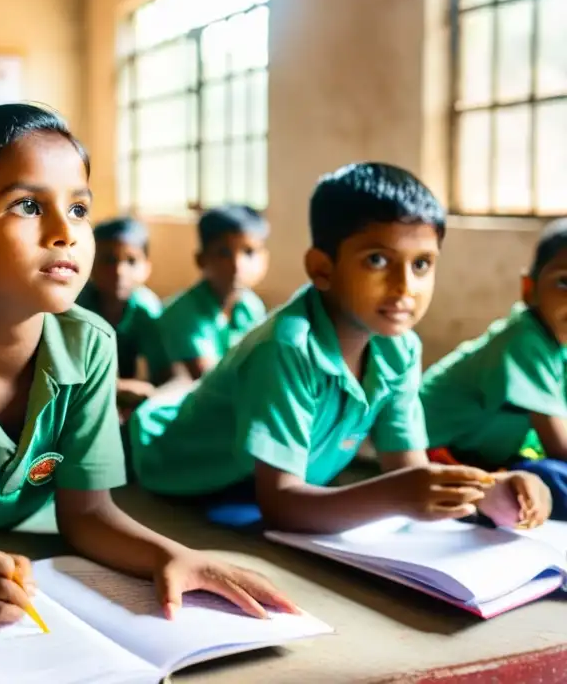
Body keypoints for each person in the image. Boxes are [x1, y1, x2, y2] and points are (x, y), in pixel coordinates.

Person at [0, 104, 297, 636]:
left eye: (78, 209)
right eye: (29, 205)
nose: (65, 232)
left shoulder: (90, 344)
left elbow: (87, 515)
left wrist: (169, 556)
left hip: (4, 527)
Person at [129, 162, 551, 533]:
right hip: (172, 462)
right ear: (321, 268)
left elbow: (409, 471)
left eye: (421, 263)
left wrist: (491, 490)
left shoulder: (399, 348)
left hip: (262, 477)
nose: (405, 287)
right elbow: (281, 504)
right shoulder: (287, 349)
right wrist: (397, 495)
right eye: (377, 261)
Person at [422, 218, 567, 522]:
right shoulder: (524, 341)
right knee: (552, 478)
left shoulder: (557, 345)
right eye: (564, 282)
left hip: (488, 454)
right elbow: (560, 446)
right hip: (434, 456)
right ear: (529, 289)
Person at [157, 205, 269, 380]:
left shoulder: (251, 306)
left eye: (249, 252)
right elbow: (208, 381)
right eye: (224, 253)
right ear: (201, 260)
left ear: (264, 258)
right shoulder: (182, 314)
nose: (237, 264)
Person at [76, 216, 167, 417]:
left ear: (146, 267)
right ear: (90, 264)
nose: (119, 271)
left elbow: (164, 375)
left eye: (131, 261)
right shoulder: (76, 307)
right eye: (108, 260)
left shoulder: (147, 312)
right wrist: (118, 387)